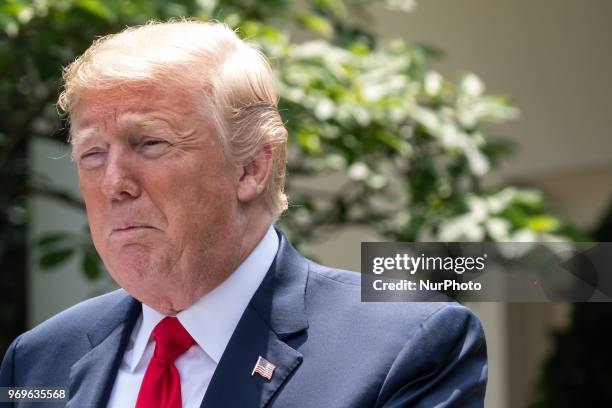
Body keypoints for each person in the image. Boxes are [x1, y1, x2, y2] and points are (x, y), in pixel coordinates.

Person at [0, 21, 487, 407]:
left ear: (252, 167)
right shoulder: (39, 361)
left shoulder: (404, 345)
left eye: (149, 143)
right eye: (92, 155)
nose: (113, 184)